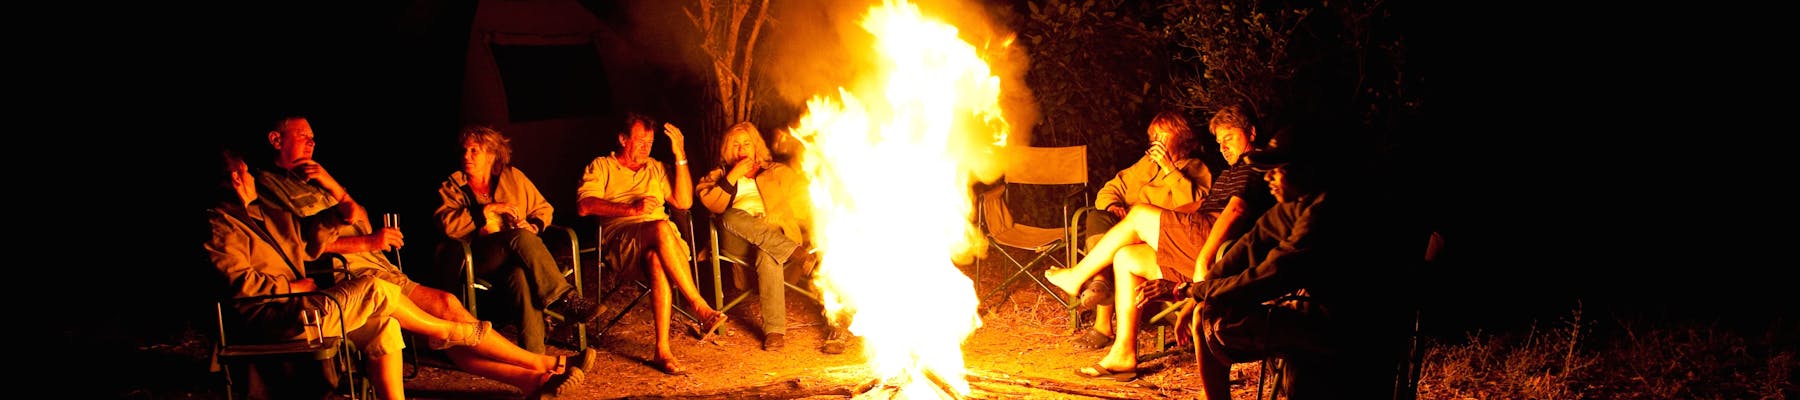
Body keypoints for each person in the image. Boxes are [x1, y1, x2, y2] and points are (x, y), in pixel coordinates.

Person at [206, 147, 588, 399]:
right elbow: (248, 282)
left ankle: (532, 376)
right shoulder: (226, 223)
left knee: (389, 325)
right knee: (410, 301)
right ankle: (530, 358)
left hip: (325, 289)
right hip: (285, 309)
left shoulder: (266, 210)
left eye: (312, 136)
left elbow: (308, 237)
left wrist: (337, 200)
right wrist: (298, 280)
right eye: (303, 137)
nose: (311, 143)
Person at [1151, 130, 1413, 399]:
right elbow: (1248, 248)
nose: (1268, 178)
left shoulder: (1326, 211)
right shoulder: (1297, 205)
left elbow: (1270, 276)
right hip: (1320, 309)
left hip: (1354, 323)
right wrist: (1200, 291)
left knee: (1213, 321)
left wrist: (1192, 292)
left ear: (1306, 170)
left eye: (1276, 170)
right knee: (1205, 311)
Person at [1046, 104, 1274, 349]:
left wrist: (1202, 261)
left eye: (1229, 138)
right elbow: (1199, 205)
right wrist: (1151, 219)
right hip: (1191, 239)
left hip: (1214, 247)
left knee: (1140, 214)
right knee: (1126, 256)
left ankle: (1077, 276)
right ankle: (1123, 352)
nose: (1223, 147)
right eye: (1219, 141)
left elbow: (1234, 211)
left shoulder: (1253, 165)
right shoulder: (1231, 171)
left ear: (1250, 133)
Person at [575, 112, 728, 375]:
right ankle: (699, 306)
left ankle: (662, 351)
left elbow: (684, 202)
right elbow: (584, 206)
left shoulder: (656, 168)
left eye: (650, 142)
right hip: (622, 242)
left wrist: (679, 153)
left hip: (666, 246)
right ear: (623, 139)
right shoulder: (601, 166)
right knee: (660, 226)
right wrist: (631, 209)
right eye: (640, 141)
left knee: (657, 256)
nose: (646, 147)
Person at [433, 125, 604, 354]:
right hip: (476, 256)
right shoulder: (452, 186)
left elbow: (543, 208)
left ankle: (535, 361)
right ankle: (565, 299)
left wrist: (534, 225)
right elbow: (447, 225)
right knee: (519, 238)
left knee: (520, 276)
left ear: (491, 154)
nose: (466, 156)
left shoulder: (513, 177)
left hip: (514, 259)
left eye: (475, 151)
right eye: (464, 150)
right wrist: (486, 210)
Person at [1069, 110, 1215, 349]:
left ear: (1182, 138)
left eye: (1163, 135)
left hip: (1160, 238)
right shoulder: (1145, 165)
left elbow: (1195, 207)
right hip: (1127, 231)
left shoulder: (1196, 168)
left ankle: (1101, 322)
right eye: (1153, 135)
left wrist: (1169, 170)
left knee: (1119, 247)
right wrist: (1114, 204)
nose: (1156, 140)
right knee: (1098, 217)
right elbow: (1109, 189)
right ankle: (1100, 284)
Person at [695, 122, 824, 352]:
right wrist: (734, 175)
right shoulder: (720, 175)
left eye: (746, 143)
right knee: (730, 215)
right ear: (727, 149)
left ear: (756, 147)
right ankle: (795, 253)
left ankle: (774, 331)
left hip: (773, 235)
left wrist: (777, 217)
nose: (741, 149)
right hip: (736, 239)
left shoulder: (776, 171)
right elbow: (712, 204)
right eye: (735, 144)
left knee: (768, 249)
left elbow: (804, 201)